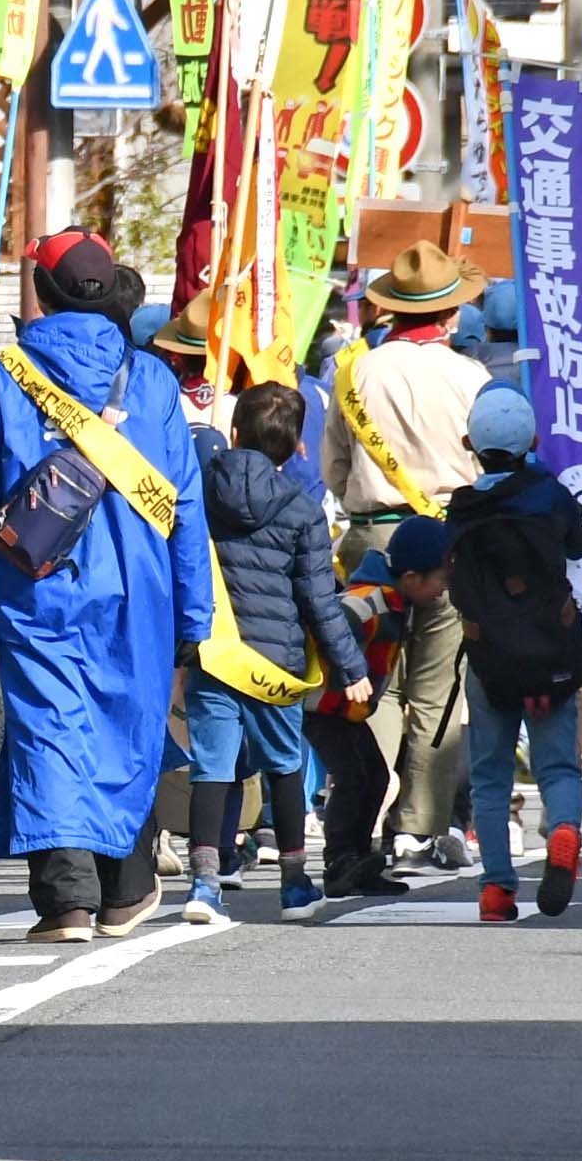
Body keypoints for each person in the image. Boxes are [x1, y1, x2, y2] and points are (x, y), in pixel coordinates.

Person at [0, 231, 213, 942]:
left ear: (43, 292)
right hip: (141, 590)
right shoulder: (150, 379)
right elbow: (184, 505)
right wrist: (194, 611)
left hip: (37, 585)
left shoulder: (4, 376)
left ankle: (65, 901)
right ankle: (124, 888)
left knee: (48, 731)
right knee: (128, 724)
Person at [310, 242, 487, 870]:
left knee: (374, 679)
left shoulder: (355, 371)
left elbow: (333, 467)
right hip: (446, 542)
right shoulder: (472, 378)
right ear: (448, 315)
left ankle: (371, 795)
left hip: (370, 535)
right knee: (440, 687)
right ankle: (417, 823)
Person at [185, 383, 370, 922]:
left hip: (213, 652)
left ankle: (204, 885)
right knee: (285, 767)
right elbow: (317, 597)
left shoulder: (198, 494)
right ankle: (293, 884)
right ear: (295, 448)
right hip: (275, 660)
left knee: (212, 769)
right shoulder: (301, 508)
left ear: (235, 431)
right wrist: (350, 665)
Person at [444, 390, 582, 923]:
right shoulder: (550, 497)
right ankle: (563, 829)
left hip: (489, 657)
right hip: (550, 650)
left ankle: (496, 892)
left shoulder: (459, 508)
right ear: (533, 442)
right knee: (557, 765)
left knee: (491, 776)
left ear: (470, 445)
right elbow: (580, 549)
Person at [313, 520, 457, 898]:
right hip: (325, 707)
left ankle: (362, 860)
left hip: (350, 711)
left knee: (375, 776)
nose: (443, 588)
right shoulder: (366, 601)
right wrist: (349, 672)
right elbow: (332, 631)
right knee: (352, 779)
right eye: (439, 579)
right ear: (410, 576)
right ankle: (340, 860)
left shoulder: (399, 601)